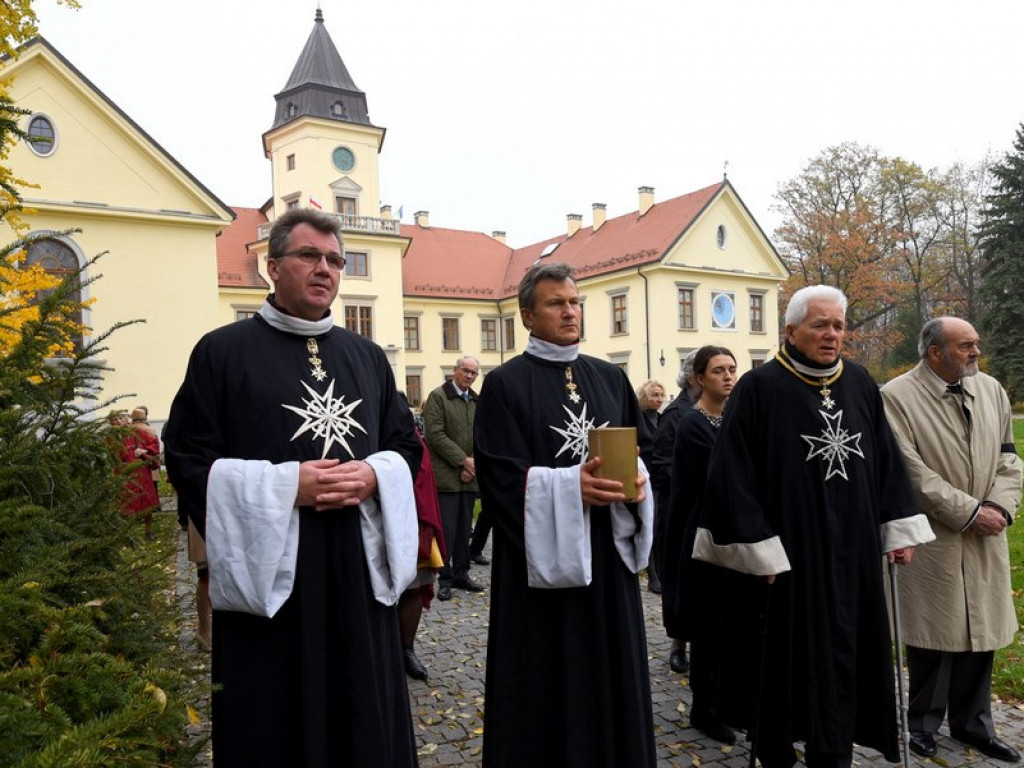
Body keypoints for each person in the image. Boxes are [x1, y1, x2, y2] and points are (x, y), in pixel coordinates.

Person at [163, 207, 422, 768]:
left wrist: (375, 474)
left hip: (359, 567)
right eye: (309, 256)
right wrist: (284, 488)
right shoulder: (221, 353)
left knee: (364, 711)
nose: (325, 269)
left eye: (335, 259)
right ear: (272, 267)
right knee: (276, 718)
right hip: (273, 581)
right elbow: (186, 458)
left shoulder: (369, 357)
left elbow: (406, 444)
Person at [693, 284, 934, 768]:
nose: (831, 335)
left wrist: (897, 529)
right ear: (791, 330)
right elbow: (731, 473)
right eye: (820, 325)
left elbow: (887, 460)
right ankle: (776, 749)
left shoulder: (861, 383)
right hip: (786, 560)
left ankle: (834, 748)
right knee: (784, 662)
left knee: (846, 653)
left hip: (853, 555)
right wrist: (756, 546)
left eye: (839, 325)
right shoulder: (759, 389)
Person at [475, 261, 656, 768]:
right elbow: (499, 481)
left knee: (612, 671)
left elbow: (641, 452)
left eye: (575, 302)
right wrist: (567, 487)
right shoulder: (505, 385)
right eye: (556, 303)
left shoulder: (610, 377)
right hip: (540, 576)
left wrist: (638, 483)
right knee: (545, 683)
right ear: (528, 315)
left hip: (606, 556)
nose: (570, 311)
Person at [881, 317, 1022, 762]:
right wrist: (968, 513)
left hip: (986, 535)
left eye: (976, 344)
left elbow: (1009, 456)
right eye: (965, 346)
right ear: (934, 352)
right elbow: (908, 470)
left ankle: (973, 725)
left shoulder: (992, 390)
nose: (975, 352)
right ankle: (922, 723)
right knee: (932, 636)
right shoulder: (896, 397)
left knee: (982, 635)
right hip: (933, 536)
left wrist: (999, 507)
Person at [666, 346, 752, 745]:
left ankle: (734, 705)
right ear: (699, 379)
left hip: (734, 539)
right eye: (719, 371)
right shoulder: (691, 425)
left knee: (735, 629)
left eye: (732, 370)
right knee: (709, 631)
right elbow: (724, 475)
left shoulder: (735, 419)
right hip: (700, 540)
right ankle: (705, 712)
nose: (728, 377)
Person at [651, 351, 699, 673]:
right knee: (682, 580)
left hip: (713, 512)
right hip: (682, 511)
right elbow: (661, 465)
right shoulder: (675, 414)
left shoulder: (726, 410)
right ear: (695, 377)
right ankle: (678, 643)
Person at [423, 355, 484, 600]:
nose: (469, 376)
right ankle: (445, 578)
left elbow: (482, 433)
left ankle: (462, 573)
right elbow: (435, 435)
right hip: (446, 478)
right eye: (466, 371)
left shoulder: (476, 401)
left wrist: (472, 462)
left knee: (463, 530)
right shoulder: (439, 396)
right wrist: (463, 460)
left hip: (469, 478)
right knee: (446, 531)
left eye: (474, 373)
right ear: (455, 371)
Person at [397, 392, 447, 682]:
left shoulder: (416, 440)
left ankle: (406, 648)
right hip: (376, 526)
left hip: (416, 525)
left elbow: (425, 485)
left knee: (415, 586)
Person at [110, 409, 161, 539]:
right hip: (123, 473)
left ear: (127, 420)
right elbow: (113, 456)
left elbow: (153, 445)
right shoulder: (111, 437)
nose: (118, 421)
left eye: (120, 418)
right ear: (110, 422)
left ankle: (149, 531)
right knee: (125, 503)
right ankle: (127, 534)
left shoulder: (139, 431)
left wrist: (144, 451)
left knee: (146, 501)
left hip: (141, 471)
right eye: (115, 419)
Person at [637, 379, 666, 592]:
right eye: (654, 395)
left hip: (661, 478)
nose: (658, 399)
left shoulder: (663, 418)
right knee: (651, 525)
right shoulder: (639, 420)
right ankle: (653, 574)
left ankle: (659, 573)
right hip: (646, 477)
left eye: (660, 395)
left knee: (660, 526)